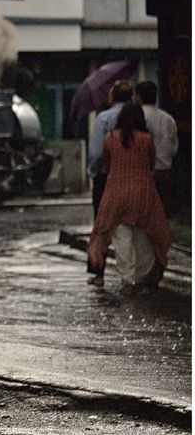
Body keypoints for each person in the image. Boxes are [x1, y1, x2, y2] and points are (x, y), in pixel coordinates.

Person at [86, 102, 170, 295]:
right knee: (143, 237)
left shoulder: (111, 138)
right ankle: (141, 276)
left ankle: (127, 280)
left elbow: (107, 164)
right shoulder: (147, 139)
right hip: (143, 193)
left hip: (116, 193)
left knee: (122, 238)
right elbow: (150, 163)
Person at [86, 80, 132, 216]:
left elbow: (96, 153)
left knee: (103, 219)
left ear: (112, 97)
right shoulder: (139, 116)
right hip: (132, 175)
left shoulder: (104, 118)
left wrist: (93, 171)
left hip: (107, 176)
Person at [134, 81, 178, 216]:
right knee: (162, 216)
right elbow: (174, 148)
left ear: (139, 97)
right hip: (164, 172)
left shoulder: (136, 117)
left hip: (143, 174)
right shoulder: (168, 119)